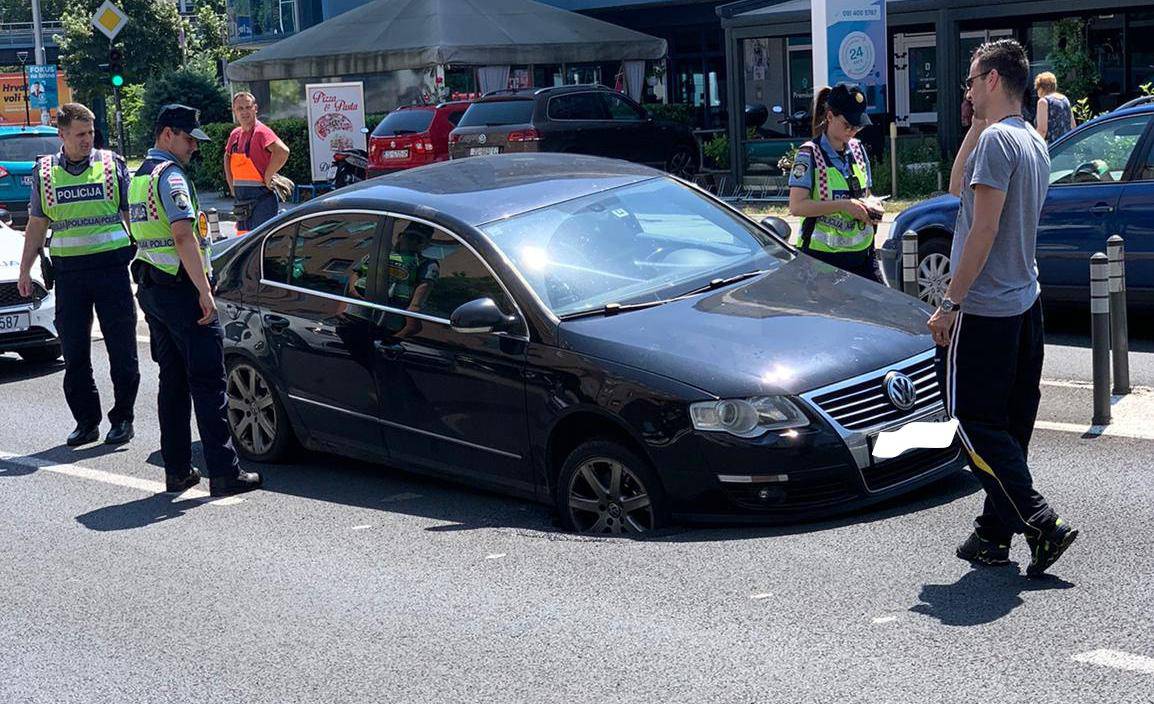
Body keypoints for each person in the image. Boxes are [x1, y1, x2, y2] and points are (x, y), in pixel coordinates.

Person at [929, 40, 1077, 577]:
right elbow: (956, 190)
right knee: (1010, 426)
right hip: (1025, 304)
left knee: (971, 423)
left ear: (992, 79)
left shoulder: (997, 141)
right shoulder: (1029, 141)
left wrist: (949, 302)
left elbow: (982, 229)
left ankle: (1040, 522)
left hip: (987, 308)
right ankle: (993, 534)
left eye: (971, 81)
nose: (966, 91)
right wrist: (972, 125)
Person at [130, 104, 261, 497]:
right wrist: (205, 291)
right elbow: (184, 236)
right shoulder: (170, 177)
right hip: (182, 289)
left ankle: (177, 471)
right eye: (188, 140)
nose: (193, 148)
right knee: (208, 382)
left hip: (153, 288)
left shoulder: (139, 177)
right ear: (167, 134)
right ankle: (224, 472)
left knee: (172, 382)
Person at [18, 102, 139, 447]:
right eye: (80, 134)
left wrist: (143, 255)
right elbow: (37, 225)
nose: (88, 140)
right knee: (74, 352)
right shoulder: (45, 173)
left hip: (112, 269)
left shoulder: (111, 165)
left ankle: (123, 418)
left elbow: (130, 215)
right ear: (63, 135)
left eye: (90, 133)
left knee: (122, 349)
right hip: (69, 275)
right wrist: (26, 269)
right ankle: (86, 421)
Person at [787, 83, 885, 283]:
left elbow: (866, 193)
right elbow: (797, 206)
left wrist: (873, 205)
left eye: (858, 126)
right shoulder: (809, 154)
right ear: (829, 117)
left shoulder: (858, 149)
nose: (853, 131)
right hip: (821, 262)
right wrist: (844, 206)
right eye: (848, 125)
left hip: (863, 255)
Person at [224, 92, 290, 234]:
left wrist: (268, 176)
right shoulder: (235, 134)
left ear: (255, 108)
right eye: (240, 108)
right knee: (244, 242)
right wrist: (231, 186)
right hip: (242, 202)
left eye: (248, 107)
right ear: (234, 111)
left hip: (262, 201)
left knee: (260, 242)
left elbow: (283, 151)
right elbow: (227, 157)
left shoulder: (261, 132)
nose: (244, 112)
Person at [1033, 71, 1076, 144]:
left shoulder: (1043, 102)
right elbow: (1073, 125)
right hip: (1066, 146)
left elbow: (1042, 130)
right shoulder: (1065, 99)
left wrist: (1034, 147)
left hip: (1052, 147)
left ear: (1041, 88)